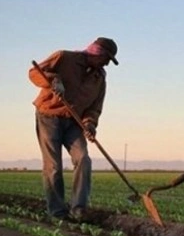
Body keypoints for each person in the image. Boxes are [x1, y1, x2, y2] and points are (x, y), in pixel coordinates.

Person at [29, 37, 119, 221]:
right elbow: (34, 73)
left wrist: (90, 124)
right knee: (53, 166)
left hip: (74, 122)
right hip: (49, 116)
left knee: (83, 159)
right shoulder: (64, 57)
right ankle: (58, 212)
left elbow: (94, 107)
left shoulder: (99, 78)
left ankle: (78, 209)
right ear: (96, 53)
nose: (106, 64)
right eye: (106, 58)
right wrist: (54, 81)